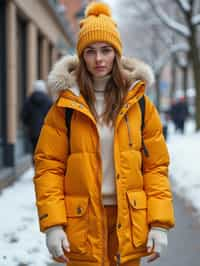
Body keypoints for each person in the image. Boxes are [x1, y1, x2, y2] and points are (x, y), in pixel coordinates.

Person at [33, 2, 175, 266]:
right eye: (91, 51)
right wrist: (53, 224)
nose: (99, 59)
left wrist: (159, 224)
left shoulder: (140, 104)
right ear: (82, 56)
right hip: (82, 223)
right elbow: (48, 167)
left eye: (106, 50)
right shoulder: (65, 106)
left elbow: (155, 167)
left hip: (128, 221)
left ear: (116, 54)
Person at [22, 80, 52, 153]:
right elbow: (52, 117)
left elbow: (24, 115)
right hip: (45, 130)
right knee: (43, 149)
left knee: (34, 148)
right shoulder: (49, 101)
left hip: (33, 130)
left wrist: (29, 124)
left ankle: (34, 162)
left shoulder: (28, 100)